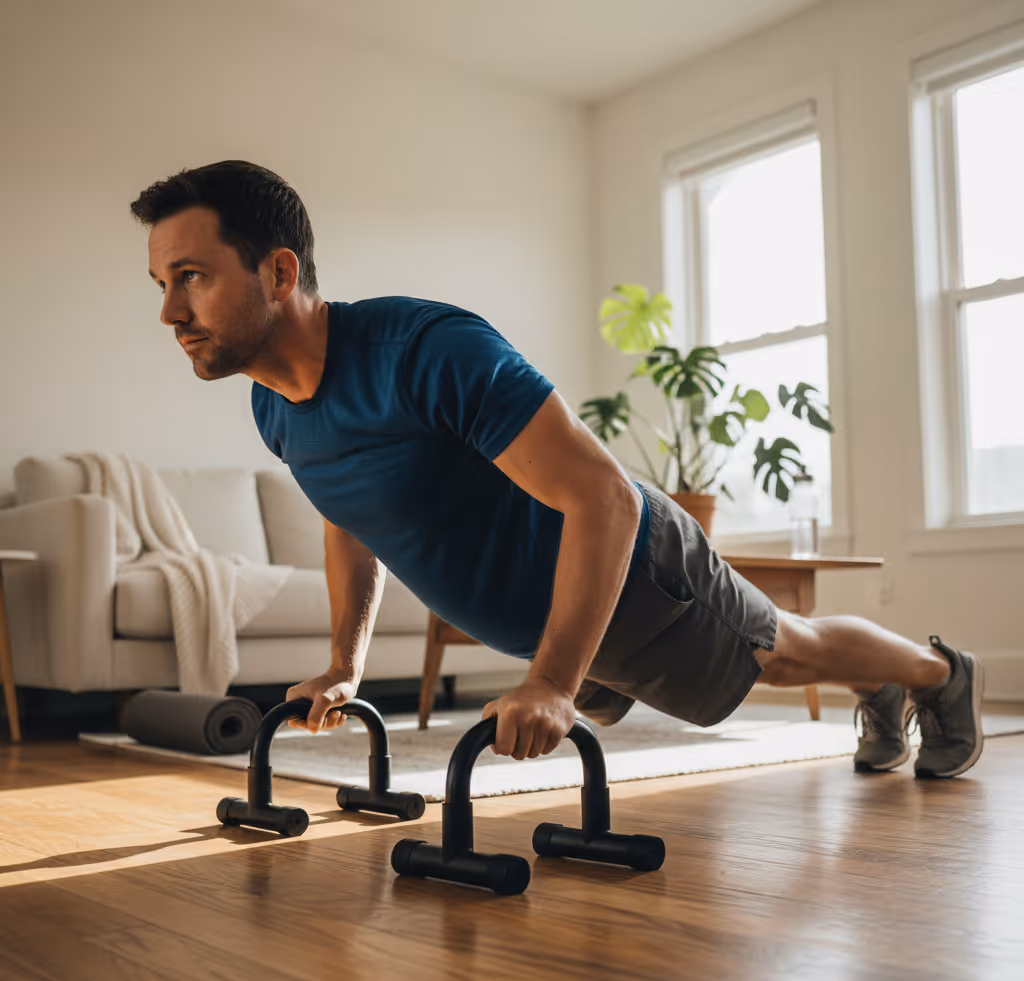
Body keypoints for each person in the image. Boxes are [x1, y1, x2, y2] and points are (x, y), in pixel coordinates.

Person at [131, 160, 984, 779]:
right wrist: (346, 664)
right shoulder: (272, 405)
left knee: (784, 652)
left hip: (639, 571)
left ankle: (936, 675)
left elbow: (604, 497)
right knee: (779, 657)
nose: (170, 311)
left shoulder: (427, 351)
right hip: (562, 626)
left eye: (193, 278)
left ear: (279, 272)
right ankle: (880, 679)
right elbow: (349, 516)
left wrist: (549, 681)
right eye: (163, 283)